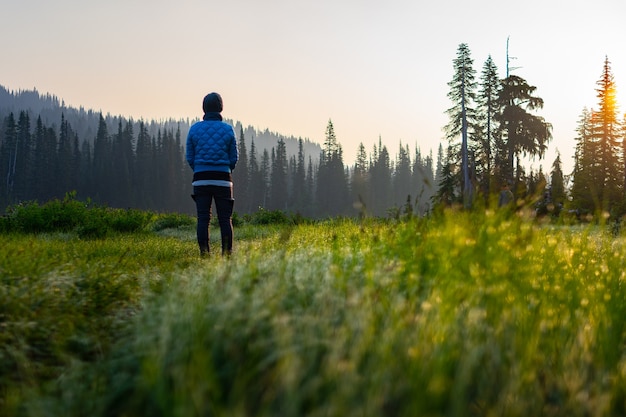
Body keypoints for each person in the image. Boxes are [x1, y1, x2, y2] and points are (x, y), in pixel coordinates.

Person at [186, 92, 238, 256]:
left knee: (203, 218)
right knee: (225, 219)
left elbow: (190, 156)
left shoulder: (194, 129)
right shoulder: (228, 129)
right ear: (220, 107)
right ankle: (227, 256)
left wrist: (199, 169)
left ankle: (205, 255)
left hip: (201, 180)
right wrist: (226, 169)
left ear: (204, 108)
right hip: (223, 179)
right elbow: (233, 157)